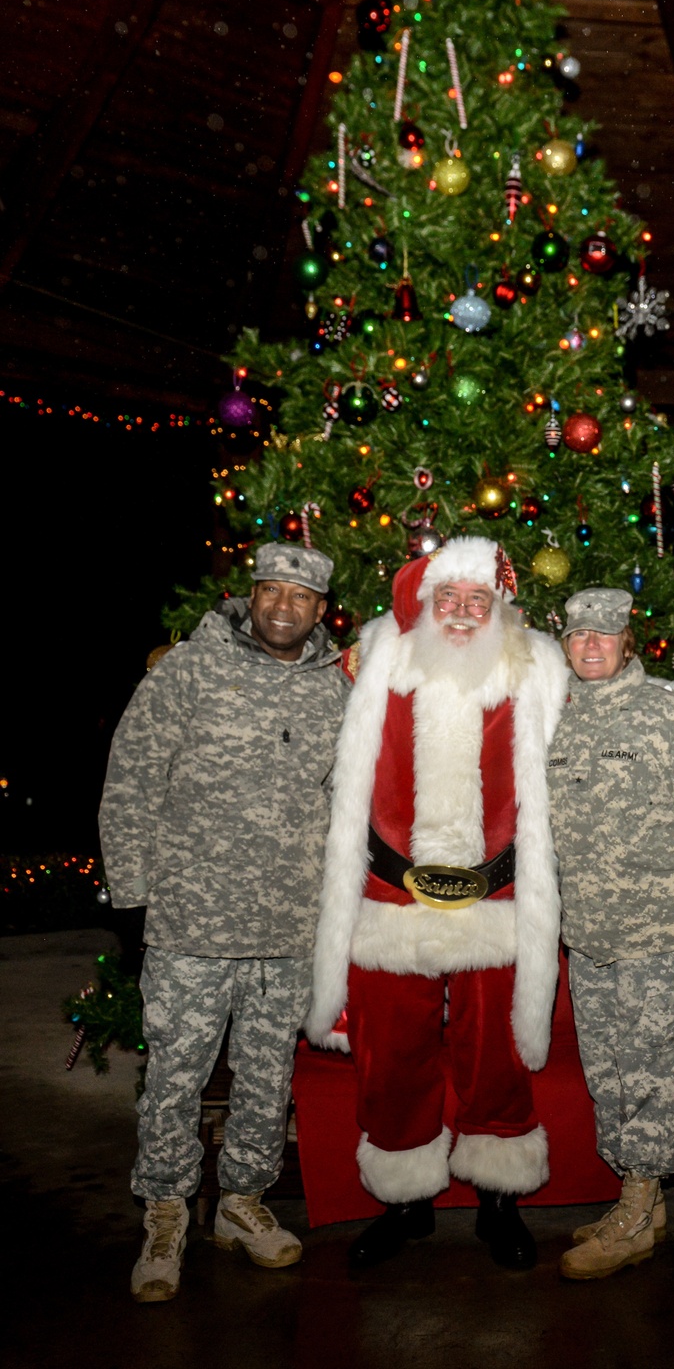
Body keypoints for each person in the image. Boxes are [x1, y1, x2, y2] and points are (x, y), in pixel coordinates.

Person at [306, 537, 567, 1271]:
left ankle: (498, 1199)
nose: (460, 614)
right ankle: (404, 1201)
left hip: (498, 894)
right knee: (391, 1057)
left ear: (499, 608)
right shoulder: (377, 661)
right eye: (446, 600)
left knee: (496, 1055)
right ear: (423, 604)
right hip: (390, 896)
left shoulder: (534, 668)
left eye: (476, 601)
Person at [99, 543, 349, 1303]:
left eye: (300, 597)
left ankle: (242, 1202)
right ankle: (167, 1214)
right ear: (251, 596)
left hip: (286, 925)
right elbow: (131, 775)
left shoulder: (333, 690)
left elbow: (348, 796)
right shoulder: (188, 670)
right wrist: (136, 893)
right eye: (271, 590)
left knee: (268, 1079)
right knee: (175, 1077)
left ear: (319, 610)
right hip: (192, 923)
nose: (283, 606)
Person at [546, 587, 674, 1281]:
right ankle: (644, 1199)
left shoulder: (668, 714)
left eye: (604, 635)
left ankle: (634, 1211)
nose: (591, 646)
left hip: (663, 937)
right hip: (590, 937)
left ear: (627, 641)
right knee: (611, 1076)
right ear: (565, 644)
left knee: (656, 1076)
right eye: (578, 637)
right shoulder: (556, 720)